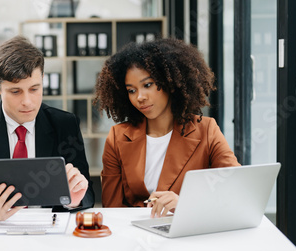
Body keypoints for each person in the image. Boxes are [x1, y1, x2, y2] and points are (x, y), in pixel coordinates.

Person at [0, 36, 95, 222]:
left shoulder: (65, 124)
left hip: (48, 227)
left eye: (34, 89)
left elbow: (87, 191)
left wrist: (73, 200)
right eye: (15, 91)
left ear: (43, 80)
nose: (27, 101)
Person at [93, 38, 239, 218]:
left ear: (170, 83)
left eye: (148, 85)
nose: (140, 97)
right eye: (131, 90)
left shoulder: (207, 130)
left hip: (187, 230)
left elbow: (235, 189)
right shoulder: (117, 137)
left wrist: (186, 204)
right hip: (135, 235)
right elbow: (112, 209)